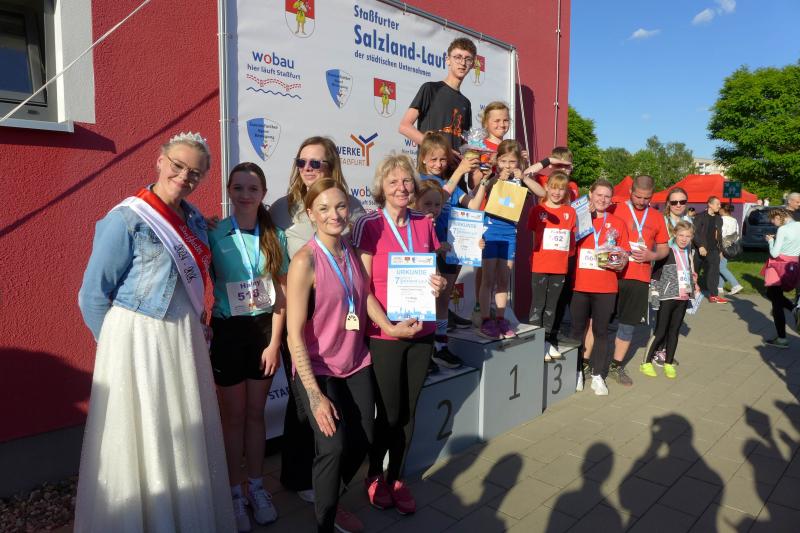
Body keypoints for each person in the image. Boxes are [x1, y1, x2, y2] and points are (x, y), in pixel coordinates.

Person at [76, 133, 235, 531]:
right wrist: (115, 350)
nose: (184, 176)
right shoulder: (126, 218)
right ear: (160, 161)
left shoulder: (194, 219)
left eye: (194, 172)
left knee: (180, 433)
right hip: (139, 341)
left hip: (182, 339)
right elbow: (92, 295)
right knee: (143, 434)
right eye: (177, 166)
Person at [286, 178, 422, 533]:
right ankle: (325, 520)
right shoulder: (305, 261)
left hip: (355, 362)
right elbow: (293, 334)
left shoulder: (348, 248)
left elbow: (363, 295)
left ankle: (330, 495)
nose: (334, 215)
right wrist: (314, 395)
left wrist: (390, 327)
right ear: (311, 214)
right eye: (324, 208)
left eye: (340, 206)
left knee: (363, 440)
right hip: (318, 368)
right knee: (332, 447)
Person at [270, 136, 366, 506]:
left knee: (334, 404)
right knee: (301, 406)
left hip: (338, 307)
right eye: (302, 162)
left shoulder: (351, 205)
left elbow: (359, 255)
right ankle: (297, 476)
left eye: (317, 163)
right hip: (300, 308)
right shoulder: (281, 208)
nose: (308, 169)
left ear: (331, 166)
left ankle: (324, 472)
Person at [352, 154, 447, 515]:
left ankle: (397, 477)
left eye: (406, 180)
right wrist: (389, 326)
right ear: (382, 187)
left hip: (422, 330)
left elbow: (434, 272)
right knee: (389, 413)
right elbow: (362, 287)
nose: (401, 187)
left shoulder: (424, 222)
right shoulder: (368, 224)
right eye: (393, 182)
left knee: (409, 411)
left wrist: (438, 284)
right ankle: (374, 474)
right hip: (385, 333)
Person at [208, 163, 288, 531]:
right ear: (229, 190)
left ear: (263, 194)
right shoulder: (213, 232)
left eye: (252, 188)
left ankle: (256, 488)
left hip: (262, 331)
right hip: (228, 331)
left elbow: (282, 294)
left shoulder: (274, 236)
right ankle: (234, 493)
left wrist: (274, 343)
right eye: (238, 187)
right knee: (233, 417)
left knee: (256, 414)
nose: (244, 194)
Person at [416, 134, 484, 370]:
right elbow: (440, 197)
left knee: (443, 300)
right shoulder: (421, 182)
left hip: (452, 250)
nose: (438, 164)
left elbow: (473, 206)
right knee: (428, 300)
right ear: (423, 159)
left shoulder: (451, 184)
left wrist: (484, 182)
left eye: (443, 159)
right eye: (433, 159)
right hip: (429, 251)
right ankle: (425, 350)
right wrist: (460, 171)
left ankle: (440, 345)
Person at [606, 175, 670, 387]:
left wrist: (653, 255)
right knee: (599, 321)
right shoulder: (615, 208)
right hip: (612, 274)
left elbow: (664, 248)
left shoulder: (657, 217)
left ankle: (616, 365)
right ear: (630, 192)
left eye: (647, 198)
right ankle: (590, 362)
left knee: (628, 325)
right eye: (638, 197)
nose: (642, 201)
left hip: (639, 278)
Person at [477, 140, 543, 339]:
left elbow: (542, 193)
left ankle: (500, 318)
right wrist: (497, 178)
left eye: (512, 161)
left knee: (504, 279)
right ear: (497, 161)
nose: (507, 165)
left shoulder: (519, 179)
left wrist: (524, 177)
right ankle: (485, 319)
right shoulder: (493, 177)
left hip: (509, 234)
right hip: (490, 232)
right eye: (503, 161)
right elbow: (483, 190)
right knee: (488, 278)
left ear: (518, 162)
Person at [570, 178, 630, 396]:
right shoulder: (580, 218)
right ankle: (577, 371)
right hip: (580, 284)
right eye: (599, 195)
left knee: (601, 331)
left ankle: (598, 375)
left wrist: (619, 261)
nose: (603, 199)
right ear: (591, 195)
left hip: (606, 287)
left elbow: (625, 254)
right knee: (577, 330)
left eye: (607, 196)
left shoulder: (618, 223)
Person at [640, 221, 700, 379]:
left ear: (692, 237)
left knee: (674, 332)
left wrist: (694, 284)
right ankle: (646, 362)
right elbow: (655, 275)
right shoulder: (667, 252)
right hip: (667, 297)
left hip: (683, 297)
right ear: (674, 234)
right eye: (681, 235)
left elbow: (688, 272)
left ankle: (668, 362)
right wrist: (655, 299)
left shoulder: (689, 252)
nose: (684, 239)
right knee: (660, 331)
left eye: (688, 236)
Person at [527, 171, 576, 360]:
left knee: (552, 307)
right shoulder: (537, 210)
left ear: (566, 192)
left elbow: (570, 240)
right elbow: (534, 236)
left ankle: (546, 342)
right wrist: (534, 257)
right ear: (546, 187)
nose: (557, 192)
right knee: (538, 305)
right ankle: (534, 343)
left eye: (561, 189)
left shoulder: (570, 212)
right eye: (553, 188)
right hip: (540, 264)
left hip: (559, 267)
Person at [399, 37, 476, 152]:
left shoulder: (466, 103)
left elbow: (465, 142)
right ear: (448, 60)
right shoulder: (431, 89)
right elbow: (404, 126)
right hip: (430, 162)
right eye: (458, 57)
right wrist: (440, 149)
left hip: (456, 164)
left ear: (472, 64)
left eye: (468, 59)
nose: (463, 63)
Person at [762, 208, 800, 348]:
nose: (773, 223)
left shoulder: (783, 229)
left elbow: (774, 253)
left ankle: (782, 338)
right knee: (771, 294)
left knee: (776, 302)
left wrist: (770, 241)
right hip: (793, 264)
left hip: (778, 267)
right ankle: (794, 308)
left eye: (773, 220)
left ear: (778, 217)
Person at [692, 196, 729, 303]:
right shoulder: (700, 217)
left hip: (713, 250)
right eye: (717, 204)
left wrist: (720, 250)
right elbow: (694, 232)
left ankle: (713, 295)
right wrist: (700, 246)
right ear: (710, 204)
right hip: (700, 249)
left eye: (720, 204)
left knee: (714, 272)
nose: (719, 206)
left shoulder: (719, 219)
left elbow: (719, 235)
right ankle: (689, 292)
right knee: (694, 271)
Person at [718, 203, 744, 296]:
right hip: (731, 246)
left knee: (721, 267)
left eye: (719, 208)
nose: (718, 210)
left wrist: (720, 249)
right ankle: (719, 287)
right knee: (722, 266)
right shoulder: (734, 220)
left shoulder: (721, 219)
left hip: (722, 246)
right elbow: (736, 234)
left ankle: (736, 285)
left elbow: (721, 235)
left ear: (722, 210)